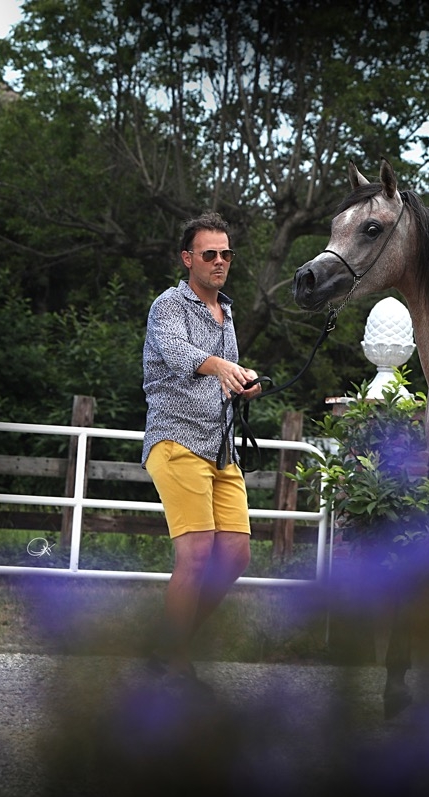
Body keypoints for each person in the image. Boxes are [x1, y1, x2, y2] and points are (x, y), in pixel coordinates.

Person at [141, 211, 262, 692]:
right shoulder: (169, 305)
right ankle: (174, 667)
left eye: (226, 253)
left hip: (220, 448)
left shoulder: (226, 312)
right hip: (176, 440)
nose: (219, 261)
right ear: (187, 258)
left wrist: (243, 382)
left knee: (235, 555)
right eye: (209, 253)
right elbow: (178, 354)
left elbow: (223, 375)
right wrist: (219, 365)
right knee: (195, 554)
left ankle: (168, 645)